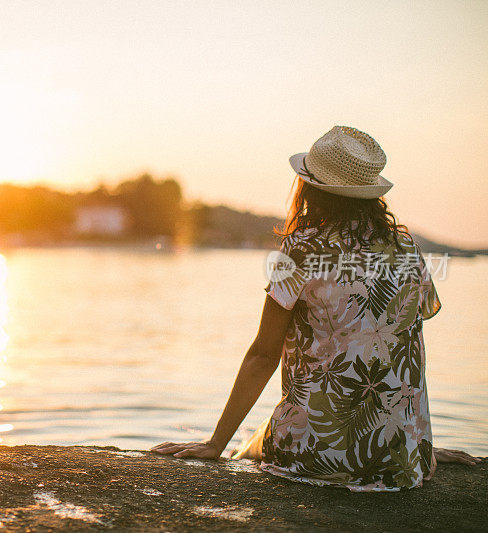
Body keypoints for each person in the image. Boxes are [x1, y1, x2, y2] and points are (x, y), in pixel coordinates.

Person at [151, 125, 480, 491]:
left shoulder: (302, 248)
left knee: (245, 449)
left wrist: (215, 444)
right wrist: (416, 443)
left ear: (311, 188)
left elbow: (264, 353)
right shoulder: (406, 248)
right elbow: (405, 341)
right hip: (398, 461)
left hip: (316, 456)